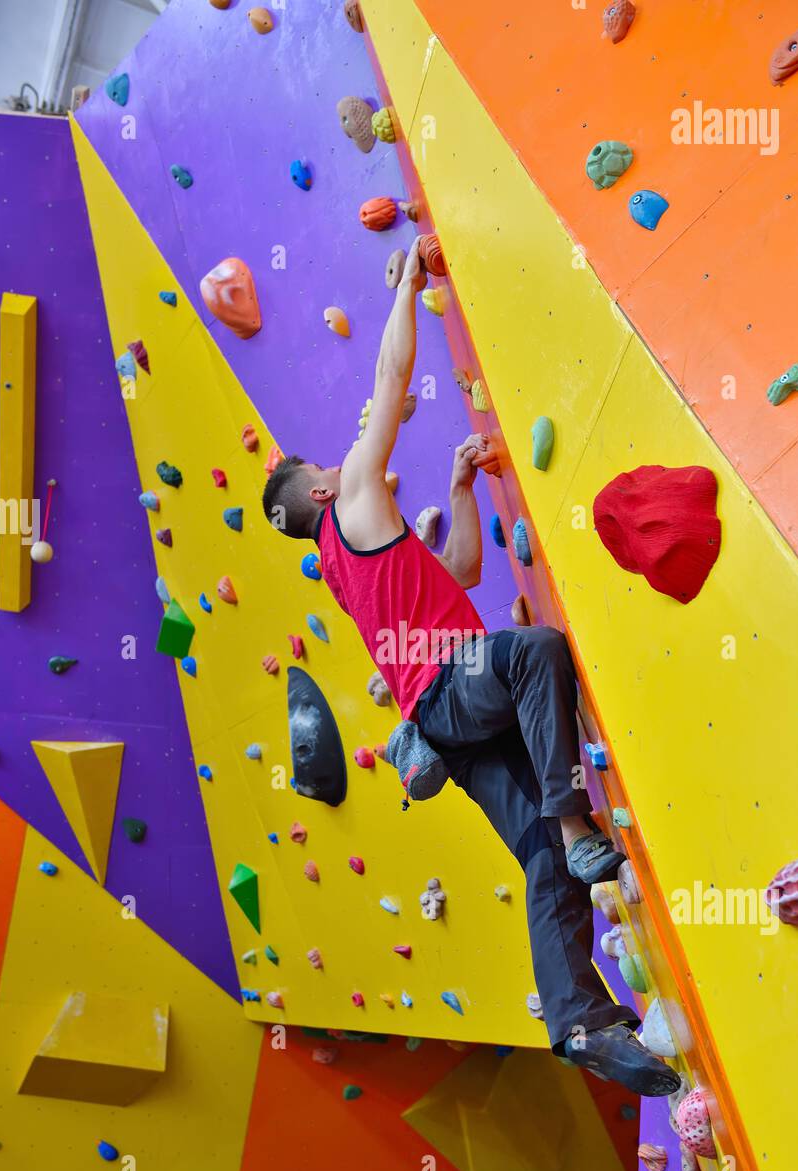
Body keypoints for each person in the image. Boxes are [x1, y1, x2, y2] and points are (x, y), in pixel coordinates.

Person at [263, 238, 680, 1096]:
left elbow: (456, 575)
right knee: (533, 655)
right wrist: (408, 285)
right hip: (454, 693)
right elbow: (388, 383)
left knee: (536, 859)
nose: (339, 463)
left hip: (451, 718)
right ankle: (574, 822)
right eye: (324, 466)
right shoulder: (350, 500)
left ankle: (578, 1021)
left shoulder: (352, 554)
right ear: (314, 494)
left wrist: (460, 490)